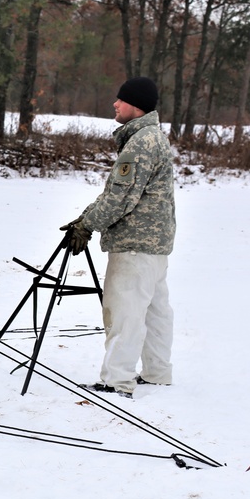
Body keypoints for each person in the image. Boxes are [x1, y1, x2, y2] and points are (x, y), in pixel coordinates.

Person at [63, 76, 176, 399]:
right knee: (155, 310)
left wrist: (87, 225)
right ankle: (157, 372)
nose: (115, 103)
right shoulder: (153, 137)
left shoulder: (140, 143)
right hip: (154, 244)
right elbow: (121, 193)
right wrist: (84, 217)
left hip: (135, 244)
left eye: (121, 99)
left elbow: (119, 197)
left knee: (124, 311)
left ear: (135, 105)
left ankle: (117, 380)